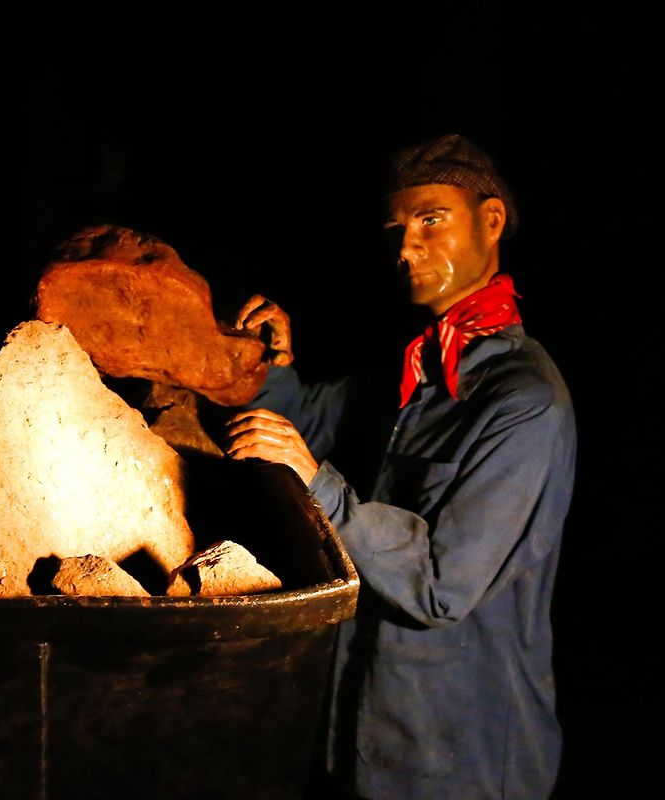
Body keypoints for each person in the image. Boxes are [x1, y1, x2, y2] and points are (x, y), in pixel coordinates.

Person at [224, 133, 576, 800]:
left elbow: (441, 584)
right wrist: (274, 366)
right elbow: (311, 425)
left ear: (491, 220)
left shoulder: (523, 401)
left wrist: (317, 481)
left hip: (465, 748)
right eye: (396, 229)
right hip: (369, 732)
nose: (406, 247)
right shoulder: (416, 369)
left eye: (431, 220)